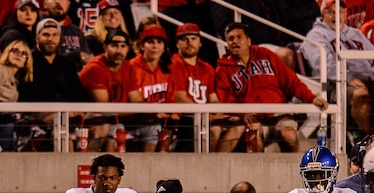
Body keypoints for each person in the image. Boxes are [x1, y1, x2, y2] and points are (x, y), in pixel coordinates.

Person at [214, 22, 328, 153]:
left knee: (290, 137)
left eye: (239, 37)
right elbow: (226, 98)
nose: (235, 41)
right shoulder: (223, 68)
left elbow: (290, 81)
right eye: (230, 38)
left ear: (249, 40)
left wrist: (311, 98)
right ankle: (258, 172)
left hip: (278, 111)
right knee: (253, 139)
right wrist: (242, 113)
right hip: (252, 116)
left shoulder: (265, 54)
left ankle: (289, 172)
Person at [302, 0, 374, 135]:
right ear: (323, 14)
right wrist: (347, 77)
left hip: (367, 79)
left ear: (346, 14)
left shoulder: (355, 34)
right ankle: (368, 139)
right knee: (361, 95)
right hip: (335, 84)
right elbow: (323, 64)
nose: (337, 16)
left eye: (340, 12)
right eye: (331, 12)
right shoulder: (316, 36)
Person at [18, 17, 86, 151]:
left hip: (65, 115)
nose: (50, 39)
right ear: (37, 38)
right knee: (62, 130)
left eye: (55, 35)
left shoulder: (67, 64)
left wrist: (79, 109)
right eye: (46, 35)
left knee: (99, 128)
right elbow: (26, 95)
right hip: (36, 115)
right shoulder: (27, 62)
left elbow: (78, 93)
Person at [79, 30, 141, 152]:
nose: (119, 51)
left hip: (116, 116)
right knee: (113, 128)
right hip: (89, 116)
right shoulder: (95, 67)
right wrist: (135, 109)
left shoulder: (128, 67)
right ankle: (89, 164)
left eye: (123, 46)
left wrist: (147, 111)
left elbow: (137, 100)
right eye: (114, 46)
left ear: (128, 49)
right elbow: (103, 105)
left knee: (153, 128)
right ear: (105, 47)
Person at [166, 22, 222, 152]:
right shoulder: (174, 64)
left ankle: (218, 166)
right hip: (184, 115)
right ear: (177, 43)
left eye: (193, 38)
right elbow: (179, 97)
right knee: (214, 129)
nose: (189, 42)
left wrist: (219, 112)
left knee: (236, 126)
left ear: (200, 43)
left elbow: (213, 97)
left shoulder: (207, 67)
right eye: (184, 39)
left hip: (203, 115)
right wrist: (204, 115)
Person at [127, 24, 172, 152]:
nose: (155, 46)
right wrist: (155, 112)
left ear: (164, 47)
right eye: (150, 42)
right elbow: (133, 101)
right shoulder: (132, 67)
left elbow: (172, 98)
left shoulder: (167, 70)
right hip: (134, 121)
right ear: (142, 46)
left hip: (162, 121)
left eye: (159, 42)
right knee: (153, 127)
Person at [0, 40, 33, 150]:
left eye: (23, 54)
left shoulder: (16, 80)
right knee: (7, 121)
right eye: (15, 51)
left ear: (26, 61)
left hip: (4, 117)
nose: (18, 55)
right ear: (8, 53)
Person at [40, 0, 91, 70]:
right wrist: (75, 56)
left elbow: (87, 57)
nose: (58, 1)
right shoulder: (36, 27)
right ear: (45, 3)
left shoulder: (76, 31)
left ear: (69, 4)